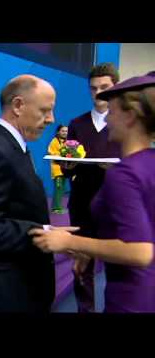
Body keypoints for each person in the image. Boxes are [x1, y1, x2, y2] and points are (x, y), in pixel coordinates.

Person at [30, 71, 155, 313]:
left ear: (130, 117)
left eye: (114, 111)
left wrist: (70, 241)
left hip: (131, 298)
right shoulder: (149, 161)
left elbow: (140, 251)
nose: (107, 120)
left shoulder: (124, 174)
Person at [0, 74, 62, 312]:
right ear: (17, 105)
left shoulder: (14, 145)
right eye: (45, 110)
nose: (51, 119)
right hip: (4, 294)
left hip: (18, 288)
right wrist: (42, 233)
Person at [62, 62, 122, 313]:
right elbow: (68, 167)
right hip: (82, 203)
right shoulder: (77, 123)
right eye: (93, 88)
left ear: (116, 87)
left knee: (118, 267)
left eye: (105, 87)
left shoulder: (125, 123)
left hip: (115, 204)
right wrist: (68, 163)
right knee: (82, 265)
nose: (98, 93)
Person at [47, 124, 68, 214]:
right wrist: (62, 154)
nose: (65, 133)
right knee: (58, 188)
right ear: (58, 132)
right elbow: (51, 152)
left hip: (64, 169)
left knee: (62, 189)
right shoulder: (54, 142)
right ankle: (56, 208)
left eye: (66, 131)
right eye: (63, 131)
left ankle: (56, 206)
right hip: (57, 169)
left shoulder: (66, 142)